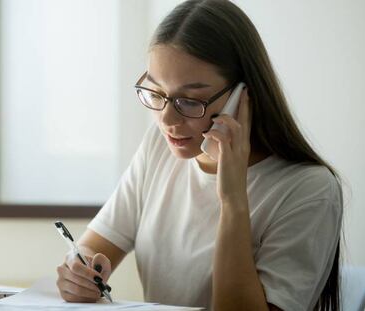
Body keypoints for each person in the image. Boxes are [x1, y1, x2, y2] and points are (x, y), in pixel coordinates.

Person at [56, 0, 343, 310]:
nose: (167, 120)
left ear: (242, 96)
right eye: (156, 93)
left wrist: (232, 200)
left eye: (190, 101)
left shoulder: (308, 190)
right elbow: (93, 247)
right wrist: (79, 272)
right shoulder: (159, 146)